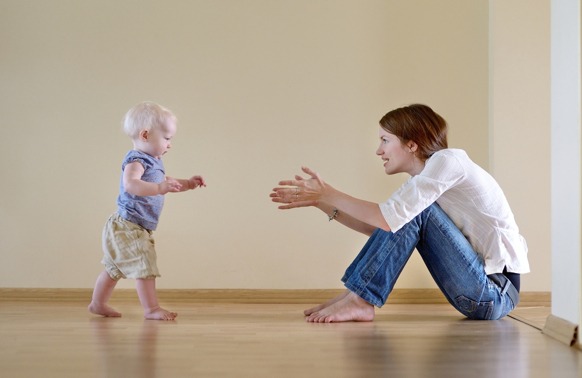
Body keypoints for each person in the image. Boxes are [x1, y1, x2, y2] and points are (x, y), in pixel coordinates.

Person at [270, 104, 529, 323]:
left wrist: (329, 193)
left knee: (407, 214)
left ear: (412, 144)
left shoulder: (448, 161)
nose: (378, 150)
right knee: (400, 218)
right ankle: (354, 295)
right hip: (478, 292)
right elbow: (384, 230)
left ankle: (360, 299)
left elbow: (388, 219)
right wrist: (321, 202)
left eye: (385, 140)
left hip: (493, 293)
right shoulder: (425, 181)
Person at [89, 101, 206, 320]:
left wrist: (188, 183)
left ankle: (97, 303)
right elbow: (131, 185)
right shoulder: (136, 160)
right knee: (145, 265)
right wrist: (160, 188)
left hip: (131, 226)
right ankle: (151, 309)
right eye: (167, 138)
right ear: (145, 135)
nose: (170, 144)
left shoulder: (154, 161)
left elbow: (166, 182)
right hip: (128, 226)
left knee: (114, 269)